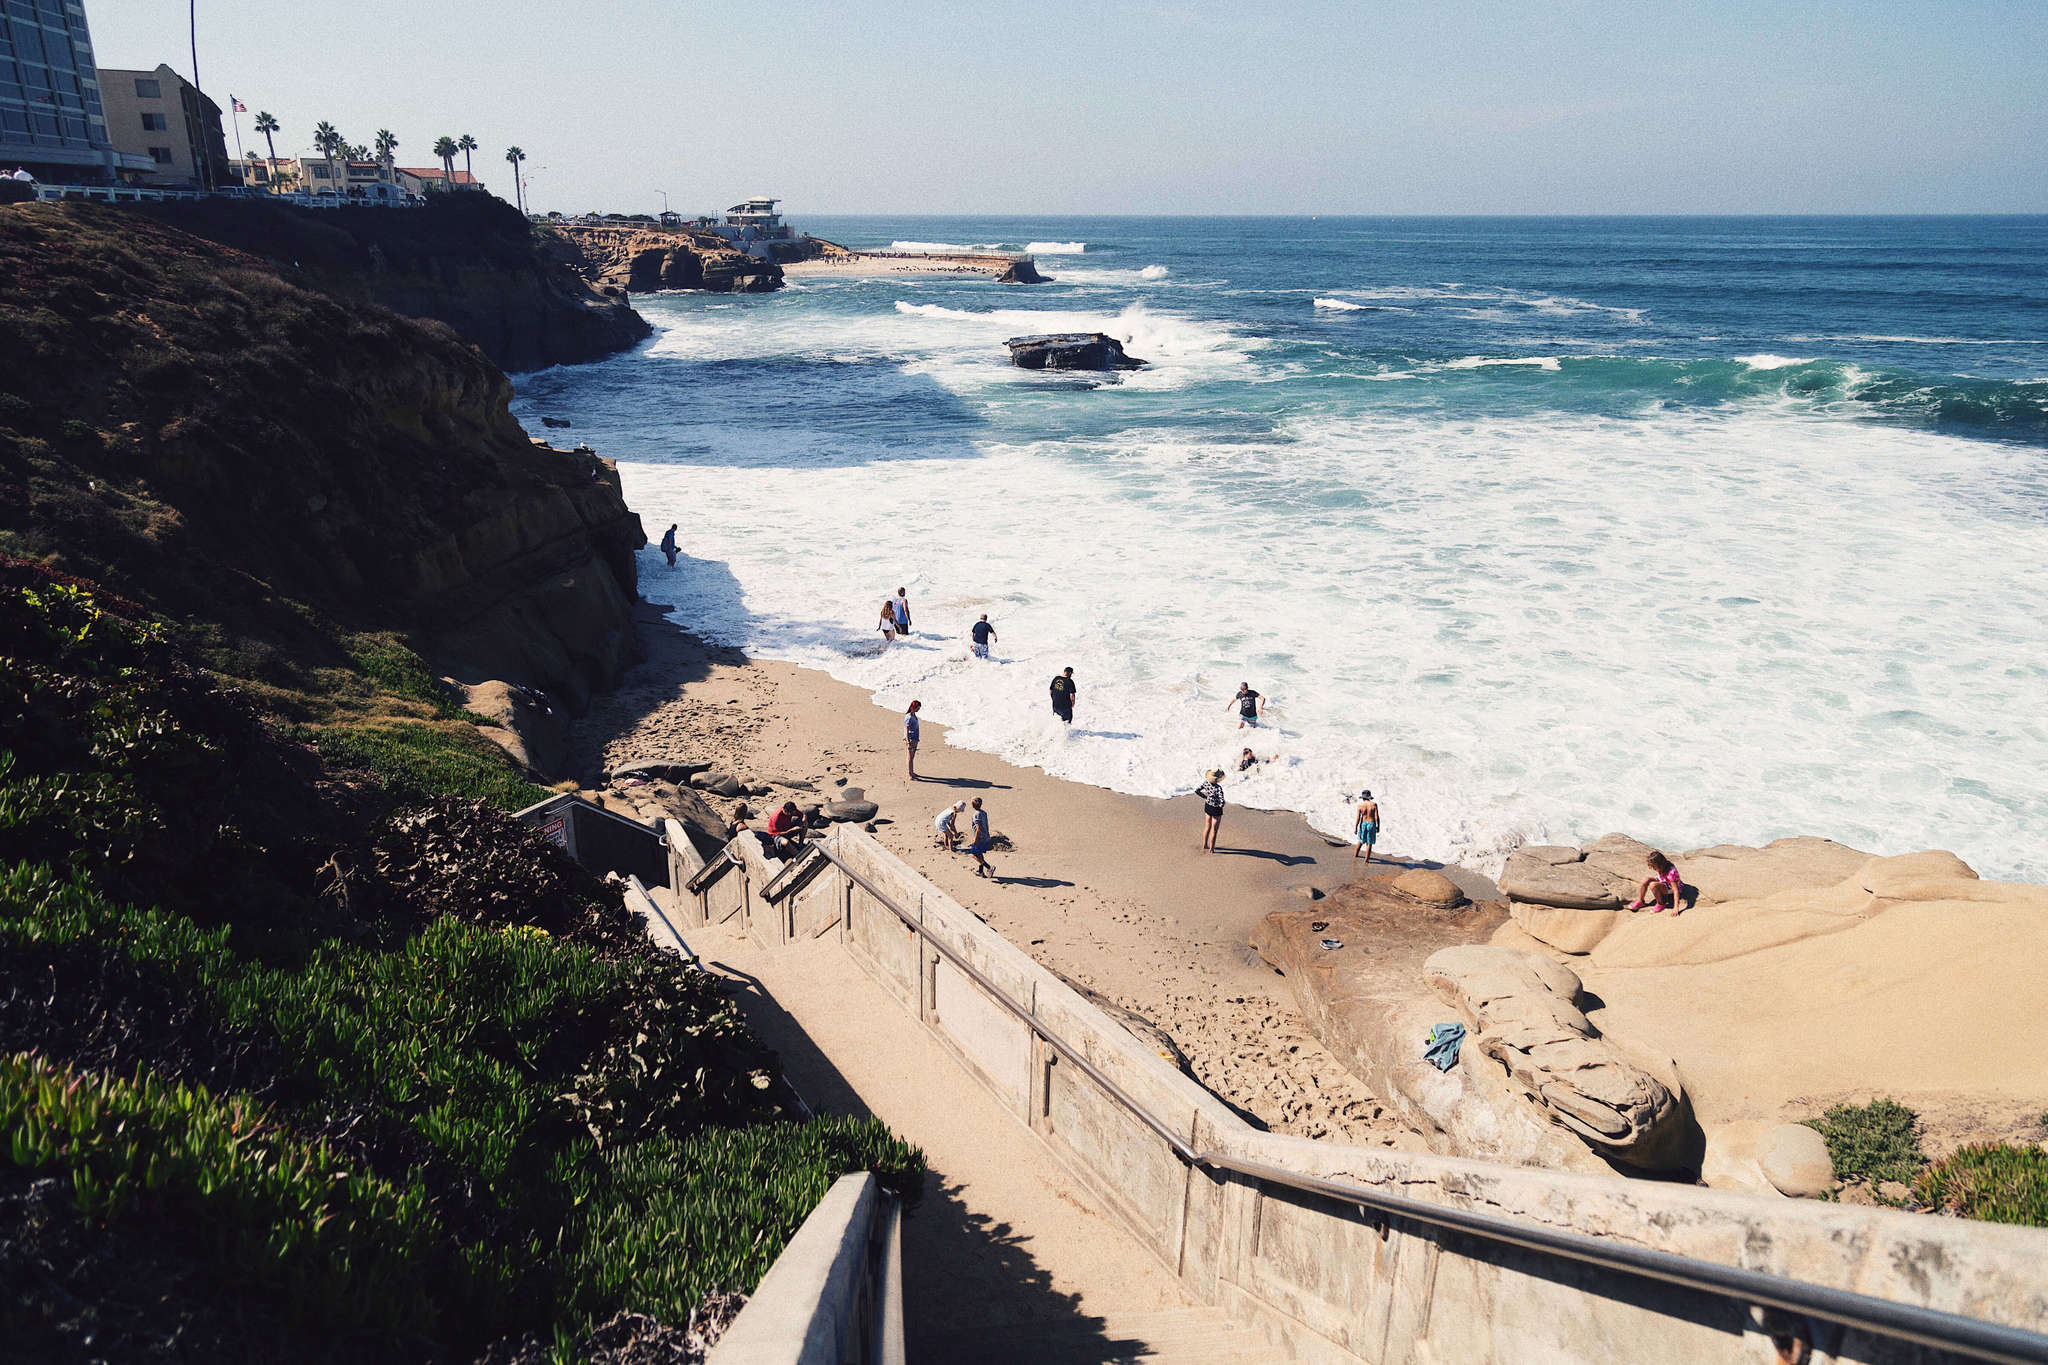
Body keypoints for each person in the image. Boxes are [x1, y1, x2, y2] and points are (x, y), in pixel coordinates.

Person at [1196, 769, 1226, 852]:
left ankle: (1205, 844)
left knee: (1207, 826)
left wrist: (1206, 797)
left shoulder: (1206, 783)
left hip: (1208, 806)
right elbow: (1222, 801)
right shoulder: (1218, 788)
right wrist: (1221, 805)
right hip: (1216, 809)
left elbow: (1197, 791)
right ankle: (1211, 849)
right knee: (1214, 830)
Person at [966, 796, 994, 877]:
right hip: (986, 837)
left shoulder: (976, 815)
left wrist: (975, 839)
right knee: (979, 854)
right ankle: (980, 872)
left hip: (980, 838)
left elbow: (978, 828)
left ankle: (989, 867)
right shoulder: (984, 813)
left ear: (972, 805)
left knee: (973, 854)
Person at [1354, 789, 1379, 863]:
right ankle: (1366, 860)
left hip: (1363, 824)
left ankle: (1356, 855)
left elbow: (1358, 818)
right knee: (1369, 843)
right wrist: (1378, 827)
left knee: (1360, 841)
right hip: (1371, 824)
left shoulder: (1360, 805)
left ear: (1363, 797)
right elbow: (1377, 817)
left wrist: (1355, 828)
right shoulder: (1374, 805)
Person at [904, 699, 922, 780]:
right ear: (914, 707)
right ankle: (910, 774)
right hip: (911, 739)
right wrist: (908, 741)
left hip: (915, 738)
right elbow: (906, 729)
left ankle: (912, 772)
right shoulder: (909, 717)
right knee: (910, 758)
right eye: (918, 707)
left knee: (912, 757)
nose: (919, 709)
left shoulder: (913, 715)